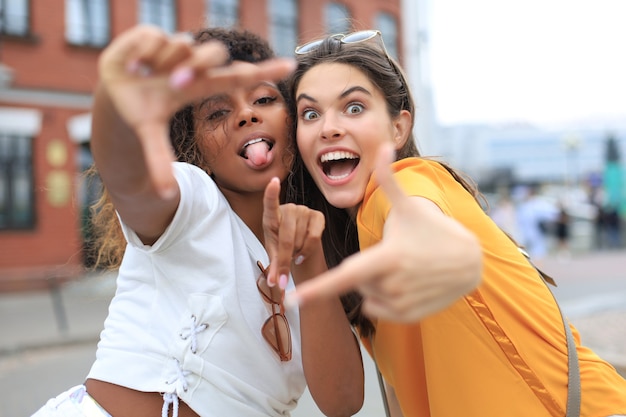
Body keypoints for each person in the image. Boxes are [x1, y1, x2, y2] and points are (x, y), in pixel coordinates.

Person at [277, 30, 626, 416]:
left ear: (398, 127)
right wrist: (306, 262)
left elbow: (419, 220)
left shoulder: (410, 182)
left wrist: (430, 247)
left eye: (354, 108)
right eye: (310, 113)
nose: (328, 127)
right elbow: (344, 401)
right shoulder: (352, 248)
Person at [31, 25, 363, 417]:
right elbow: (131, 180)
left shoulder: (320, 254)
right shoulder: (194, 202)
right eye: (217, 112)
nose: (245, 114)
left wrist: (310, 266)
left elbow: (342, 402)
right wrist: (116, 105)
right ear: (197, 151)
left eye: (264, 99)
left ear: (293, 126)